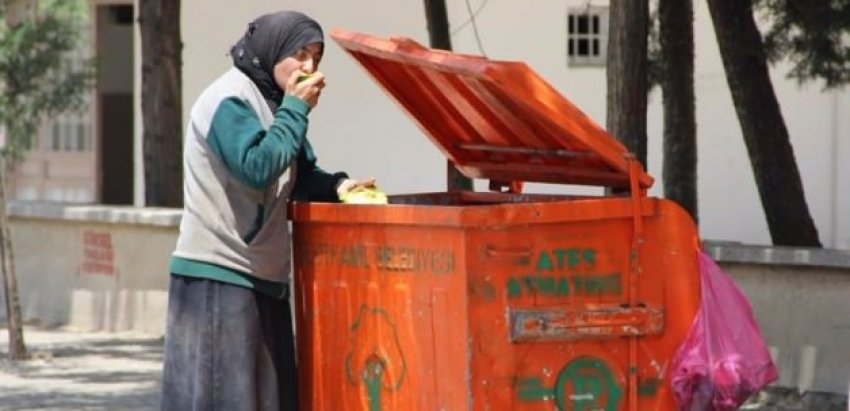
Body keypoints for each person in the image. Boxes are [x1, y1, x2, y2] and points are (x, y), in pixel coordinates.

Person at [160, 10, 374, 411]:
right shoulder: (229, 99)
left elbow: (298, 172)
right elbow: (257, 167)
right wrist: (295, 110)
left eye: (316, 57)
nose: (309, 67)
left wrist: (339, 186)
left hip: (262, 278)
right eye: (299, 54)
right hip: (219, 279)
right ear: (272, 50)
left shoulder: (273, 103)